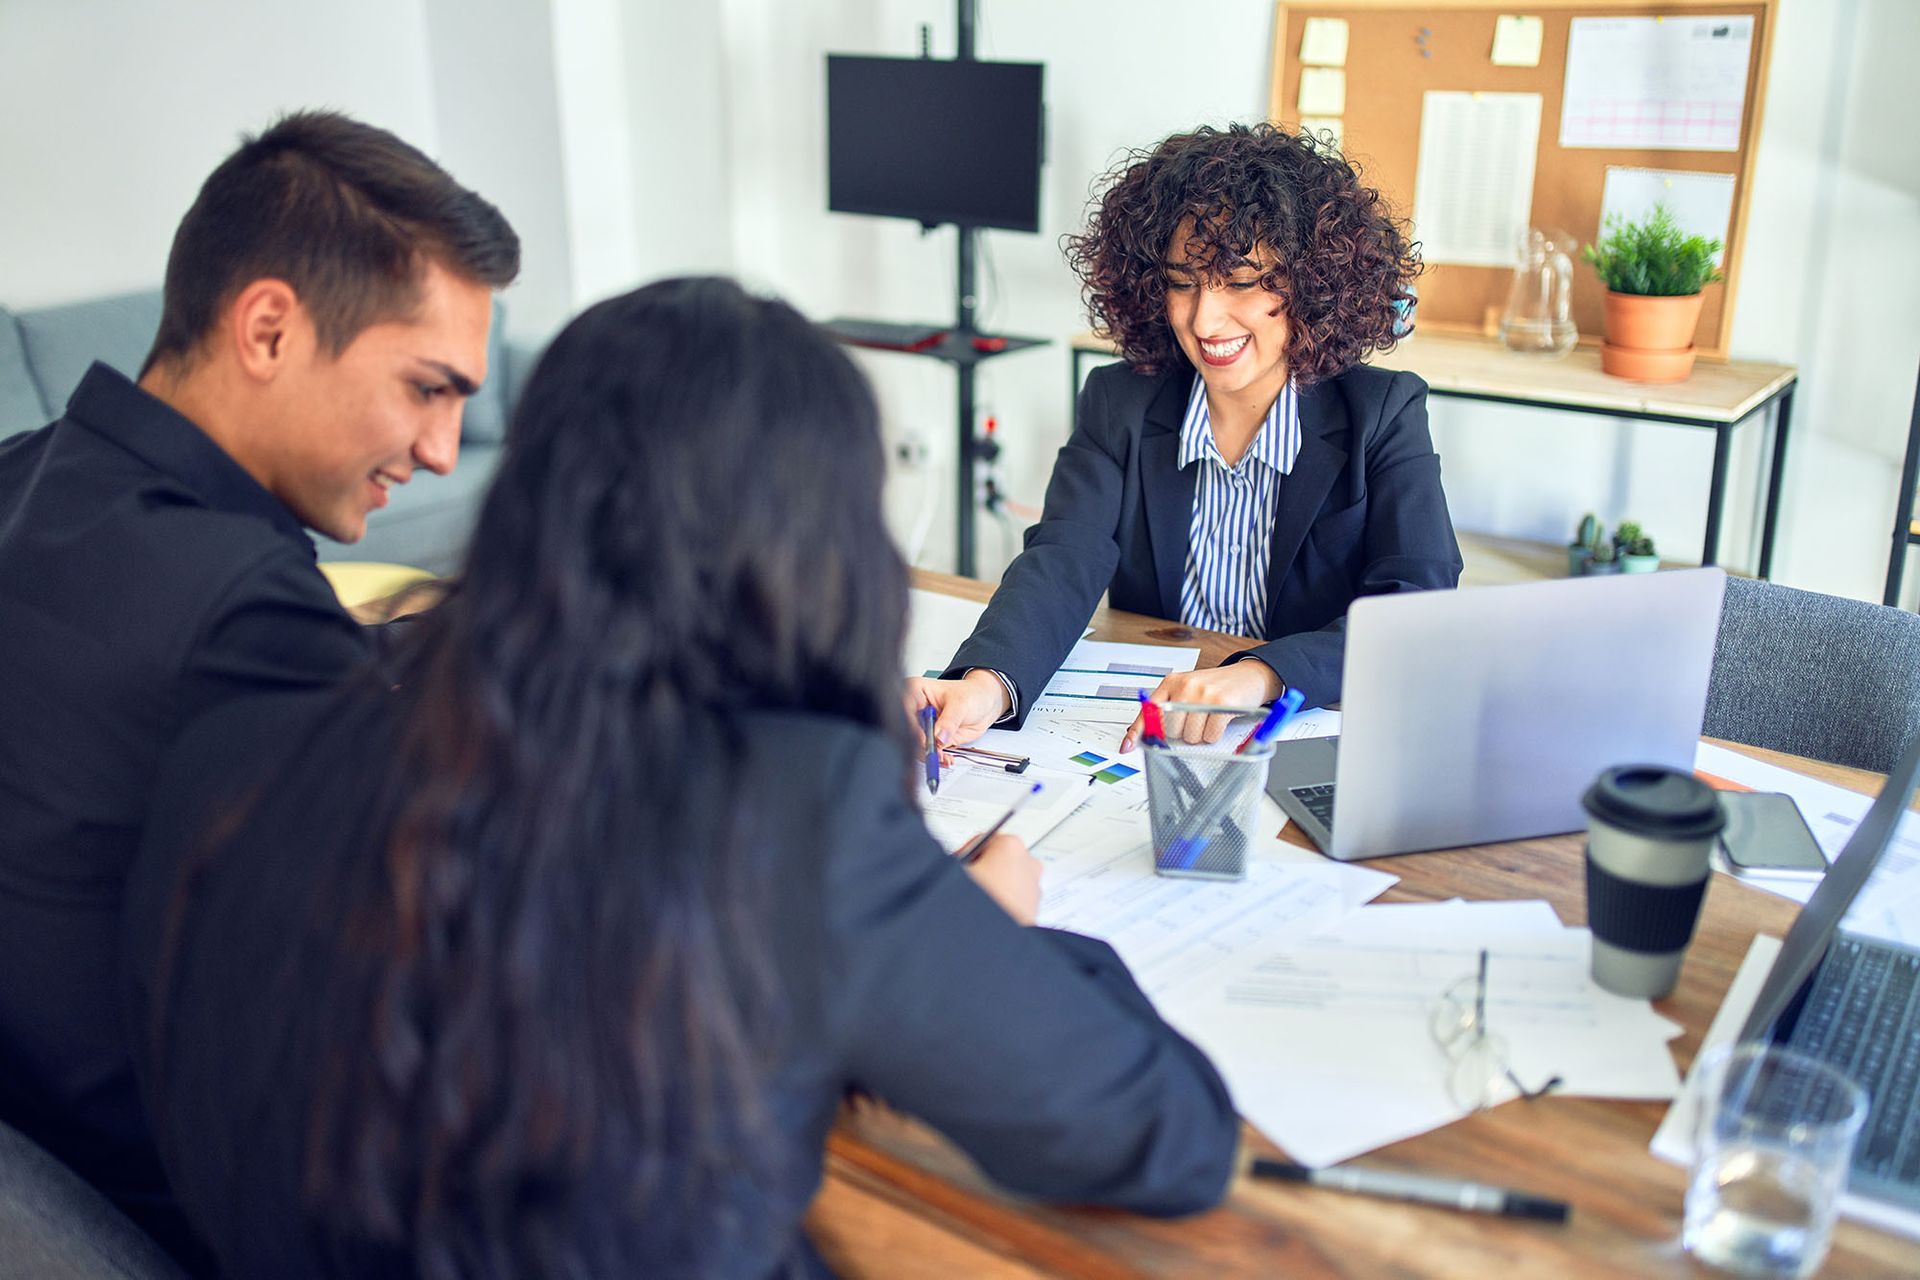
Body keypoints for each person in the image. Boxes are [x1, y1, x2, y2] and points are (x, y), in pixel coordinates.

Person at [122, 277, 1239, 1278]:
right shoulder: (801, 820)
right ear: (824, 545)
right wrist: (985, 933)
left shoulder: (260, 732)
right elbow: (1166, 1136)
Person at [0, 110, 518, 1263]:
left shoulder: (30, 477)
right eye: (427, 387)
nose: (444, 447)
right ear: (270, 328)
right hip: (223, 1204)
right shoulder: (241, 604)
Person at [910, 122, 1461, 754]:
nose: (1204, 318)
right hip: (1157, 735)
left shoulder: (1384, 412)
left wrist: (1260, 675)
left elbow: (1419, 607)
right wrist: (985, 684)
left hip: (1295, 733)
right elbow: (1062, 557)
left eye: (1242, 281)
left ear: (1309, 284)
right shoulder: (1121, 401)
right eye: (1183, 281)